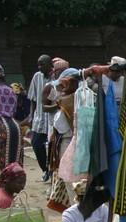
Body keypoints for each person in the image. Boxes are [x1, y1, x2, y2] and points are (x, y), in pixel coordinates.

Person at [46, 71, 78, 213]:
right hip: (65, 142)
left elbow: (61, 125)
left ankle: (75, 210)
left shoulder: (70, 101)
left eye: (66, 84)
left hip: (69, 142)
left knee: (70, 178)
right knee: (66, 178)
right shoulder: (65, 100)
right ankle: (73, 209)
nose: (63, 88)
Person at [27, 55, 53, 179]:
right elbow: (32, 99)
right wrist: (31, 116)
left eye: (42, 64)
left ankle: (52, 171)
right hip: (39, 120)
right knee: (36, 144)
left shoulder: (56, 77)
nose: (39, 67)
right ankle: (45, 169)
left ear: (49, 64)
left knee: (53, 148)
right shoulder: (37, 77)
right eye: (38, 64)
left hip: (53, 121)